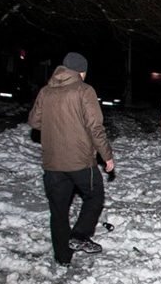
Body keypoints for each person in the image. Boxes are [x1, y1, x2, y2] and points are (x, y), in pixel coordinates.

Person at [28, 52, 115, 266]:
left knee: (58, 211)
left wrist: (55, 124)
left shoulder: (46, 91)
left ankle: (63, 258)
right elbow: (95, 127)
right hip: (80, 161)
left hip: (53, 163)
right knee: (95, 197)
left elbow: (34, 122)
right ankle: (79, 235)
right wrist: (107, 156)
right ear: (81, 71)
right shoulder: (84, 91)